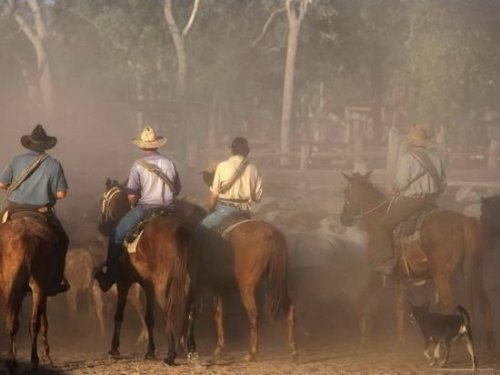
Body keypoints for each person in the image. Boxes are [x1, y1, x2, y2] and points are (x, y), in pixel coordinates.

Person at [94, 126, 181, 292]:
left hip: (146, 208)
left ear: (142, 146)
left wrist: (133, 205)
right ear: (158, 145)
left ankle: (109, 277)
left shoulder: (138, 165)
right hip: (170, 210)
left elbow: (132, 195)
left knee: (117, 235)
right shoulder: (170, 163)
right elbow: (177, 188)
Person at [0, 124, 70, 296]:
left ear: (29, 143)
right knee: (63, 239)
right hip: (42, 212)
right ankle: (56, 280)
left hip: (15, 209)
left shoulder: (16, 160)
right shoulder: (54, 164)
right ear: (46, 145)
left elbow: (1, 184)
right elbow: (62, 194)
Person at [372, 123, 446, 276]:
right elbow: (443, 181)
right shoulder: (437, 157)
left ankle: (387, 262)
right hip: (431, 201)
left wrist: (395, 187)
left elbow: (401, 184)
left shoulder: (408, 158)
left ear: (412, 142)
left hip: (412, 201)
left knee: (382, 226)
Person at [201, 136, 262, 230]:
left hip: (225, 210)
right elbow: (257, 198)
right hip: (245, 212)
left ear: (231, 150)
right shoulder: (254, 169)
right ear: (247, 152)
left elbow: (214, 195)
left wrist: (211, 209)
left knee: (201, 228)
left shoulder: (222, 166)